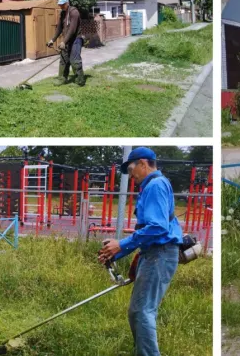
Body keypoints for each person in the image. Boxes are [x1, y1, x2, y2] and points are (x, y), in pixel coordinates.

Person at [98, 147, 183, 356]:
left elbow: (158, 227)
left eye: (131, 169)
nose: (131, 175)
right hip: (154, 253)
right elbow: (148, 231)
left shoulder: (155, 185)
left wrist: (122, 244)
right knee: (137, 312)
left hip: (160, 254)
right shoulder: (153, 185)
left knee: (143, 311)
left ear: (143, 164)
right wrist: (117, 252)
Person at [47, 0, 85, 86]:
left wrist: (64, 41)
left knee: (74, 60)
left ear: (67, 3)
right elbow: (59, 28)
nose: (61, 6)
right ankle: (62, 79)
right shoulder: (63, 13)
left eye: (62, 5)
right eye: (60, 5)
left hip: (76, 39)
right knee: (63, 59)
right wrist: (53, 39)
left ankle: (79, 81)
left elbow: (72, 29)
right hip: (66, 40)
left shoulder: (74, 12)